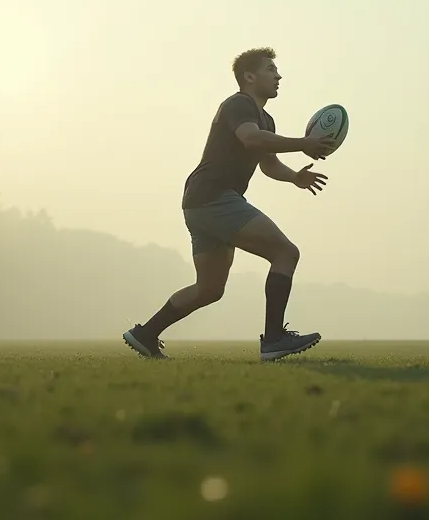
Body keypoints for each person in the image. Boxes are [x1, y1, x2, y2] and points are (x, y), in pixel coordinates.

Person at [122, 47, 337, 361]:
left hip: (200, 202)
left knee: (209, 289)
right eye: (270, 69)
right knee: (285, 252)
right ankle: (274, 339)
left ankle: (146, 334)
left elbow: (268, 163)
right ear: (249, 77)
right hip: (214, 198)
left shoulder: (266, 118)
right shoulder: (238, 104)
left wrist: (294, 178)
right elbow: (251, 139)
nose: (278, 76)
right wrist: (303, 144)